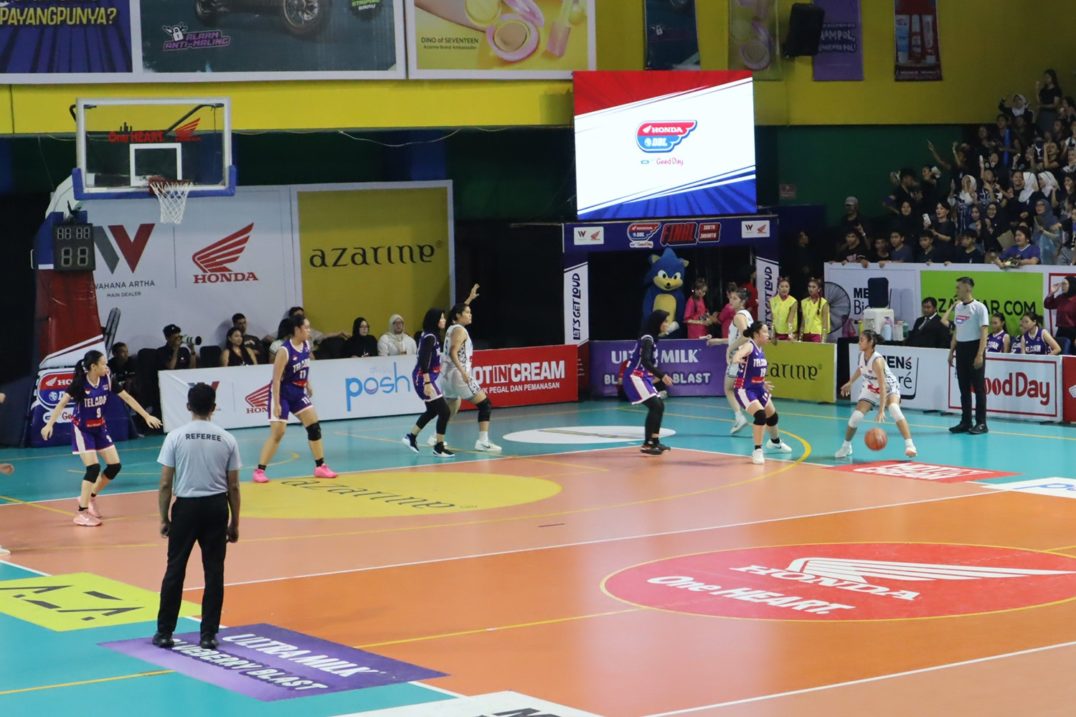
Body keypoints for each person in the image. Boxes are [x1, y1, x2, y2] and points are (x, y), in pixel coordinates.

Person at [152, 383, 240, 651]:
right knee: (214, 571)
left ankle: (165, 632)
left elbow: (165, 483)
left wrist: (164, 518)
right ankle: (208, 635)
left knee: (175, 569)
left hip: (186, 508)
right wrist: (234, 522)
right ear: (214, 407)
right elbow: (234, 486)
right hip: (215, 507)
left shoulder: (175, 437)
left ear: (188, 406)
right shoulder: (227, 439)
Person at [40, 349, 162, 526]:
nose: (106, 367)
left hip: (99, 427)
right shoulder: (80, 383)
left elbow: (127, 398)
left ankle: (90, 497)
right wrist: (49, 424)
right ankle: (81, 513)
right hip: (82, 429)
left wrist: (146, 416)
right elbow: (62, 403)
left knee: (114, 466)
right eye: (103, 364)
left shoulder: (107, 380)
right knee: (93, 468)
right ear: (93, 366)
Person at [252, 315, 338, 483]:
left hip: (298, 392)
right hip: (282, 393)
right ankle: (259, 471)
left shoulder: (306, 345)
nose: (309, 331)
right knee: (278, 433)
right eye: (306, 328)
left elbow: (304, 366)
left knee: (314, 427)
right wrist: (277, 403)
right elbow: (276, 379)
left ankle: (320, 466)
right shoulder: (284, 351)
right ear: (297, 329)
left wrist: (307, 384)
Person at [835, 330, 917, 460]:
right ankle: (846, 447)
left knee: (894, 409)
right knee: (855, 417)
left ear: (870, 342)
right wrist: (850, 382)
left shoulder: (877, 360)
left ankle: (910, 446)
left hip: (888, 387)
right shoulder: (862, 355)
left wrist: (881, 410)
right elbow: (861, 368)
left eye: (862, 340)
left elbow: (883, 386)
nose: (859, 342)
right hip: (871, 388)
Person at [440, 303, 501, 452]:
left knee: (452, 407)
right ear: (458, 315)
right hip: (458, 374)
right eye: (467, 312)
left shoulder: (450, 328)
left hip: (446, 376)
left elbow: (457, 310)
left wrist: (469, 299)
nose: (470, 315)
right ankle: (483, 442)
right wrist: (463, 372)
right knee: (485, 404)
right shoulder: (460, 331)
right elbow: (453, 352)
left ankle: (437, 436)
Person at [730, 321, 792, 465]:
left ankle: (775, 442)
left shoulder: (760, 349)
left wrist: (762, 383)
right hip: (745, 389)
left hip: (758, 387)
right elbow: (739, 353)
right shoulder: (750, 345)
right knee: (760, 415)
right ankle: (757, 451)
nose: (767, 334)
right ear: (756, 334)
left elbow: (754, 370)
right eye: (764, 331)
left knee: (773, 416)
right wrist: (736, 358)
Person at [402, 309, 454, 458]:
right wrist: (427, 382)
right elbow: (423, 360)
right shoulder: (430, 337)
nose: (444, 320)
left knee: (432, 411)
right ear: (434, 320)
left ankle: (411, 437)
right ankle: (439, 447)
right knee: (444, 411)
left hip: (425, 377)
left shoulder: (432, 335)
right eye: (441, 318)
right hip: (422, 378)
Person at [622, 310, 674, 455]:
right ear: (657, 323)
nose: (667, 324)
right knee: (655, 405)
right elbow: (645, 361)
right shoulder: (647, 339)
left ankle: (654, 441)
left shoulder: (651, 338)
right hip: (634, 376)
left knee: (659, 405)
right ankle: (647, 444)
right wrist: (662, 376)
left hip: (642, 376)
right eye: (665, 321)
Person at [948, 277, 990, 434]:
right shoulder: (958, 307)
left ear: (967, 288)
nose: (956, 290)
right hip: (961, 349)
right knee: (963, 388)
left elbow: (984, 332)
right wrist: (951, 351)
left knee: (978, 388)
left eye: (958, 287)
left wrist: (980, 354)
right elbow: (957, 330)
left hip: (975, 348)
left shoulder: (979, 308)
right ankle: (966, 421)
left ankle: (981, 423)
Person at [707, 288, 752, 433]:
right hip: (746, 355)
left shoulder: (738, 316)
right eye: (730, 298)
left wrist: (730, 349)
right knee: (746, 388)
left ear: (742, 301)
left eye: (735, 298)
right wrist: (719, 341)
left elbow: (746, 336)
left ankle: (740, 418)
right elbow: (738, 337)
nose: (731, 301)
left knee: (728, 388)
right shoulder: (747, 315)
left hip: (738, 357)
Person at [1044, 277, 1076, 344]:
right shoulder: (1061, 297)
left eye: (1064, 284)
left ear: (1072, 285)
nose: (1062, 286)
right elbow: (1047, 305)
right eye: (1062, 284)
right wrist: (1052, 293)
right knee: (1057, 348)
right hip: (1061, 330)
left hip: (1073, 331)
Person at [799, 278, 830, 342]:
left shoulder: (824, 303)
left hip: (817, 334)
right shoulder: (804, 302)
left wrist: (823, 340)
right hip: (806, 333)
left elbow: (825, 323)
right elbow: (803, 321)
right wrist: (800, 337)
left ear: (819, 289)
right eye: (809, 287)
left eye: (813, 287)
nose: (811, 289)